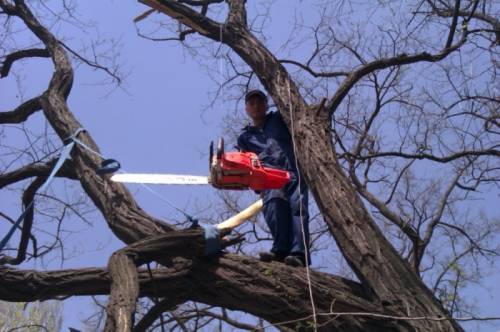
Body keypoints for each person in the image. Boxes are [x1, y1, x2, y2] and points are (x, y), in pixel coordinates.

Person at [236, 89, 310, 267]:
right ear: (247, 109)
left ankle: (299, 254)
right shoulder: (245, 138)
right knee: (274, 205)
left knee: (298, 208)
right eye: (252, 103)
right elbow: (245, 165)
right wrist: (257, 187)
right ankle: (280, 250)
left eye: (260, 102)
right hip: (268, 178)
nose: (256, 106)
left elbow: (298, 117)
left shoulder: (279, 119)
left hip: (293, 171)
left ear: (266, 105)